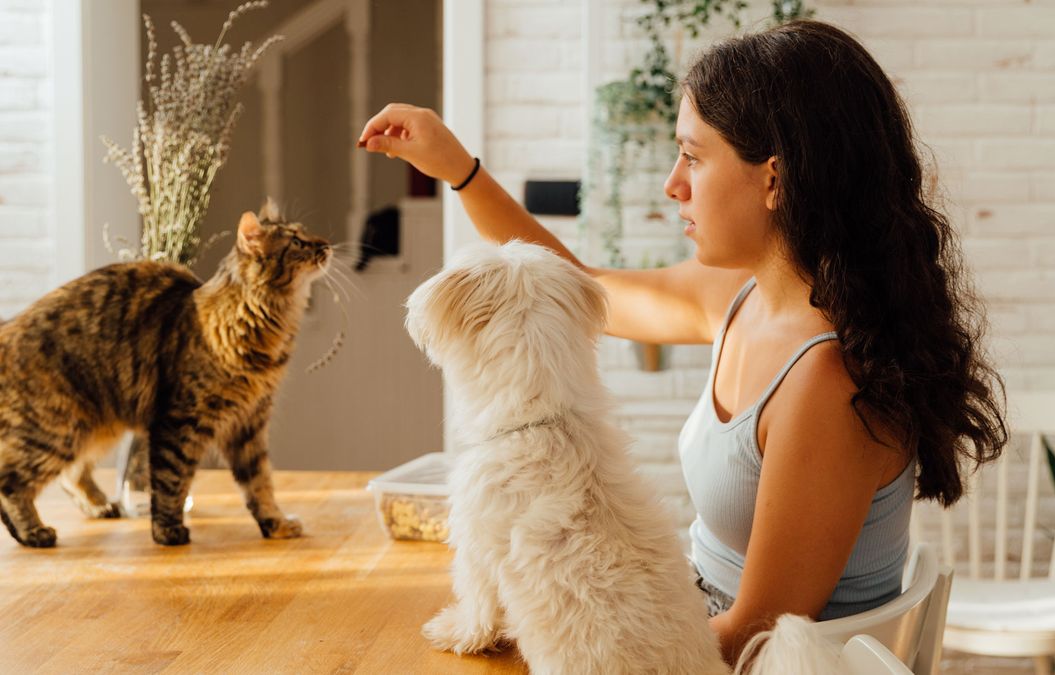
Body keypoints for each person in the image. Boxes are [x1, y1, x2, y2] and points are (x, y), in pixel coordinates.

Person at [357, 18, 1008, 665]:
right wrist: (458, 168)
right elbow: (578, 282)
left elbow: (755, 631)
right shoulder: (741, 298)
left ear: (774, 178)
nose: (673, 183)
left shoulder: (828, 383)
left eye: (693, 157)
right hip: (690, 629)